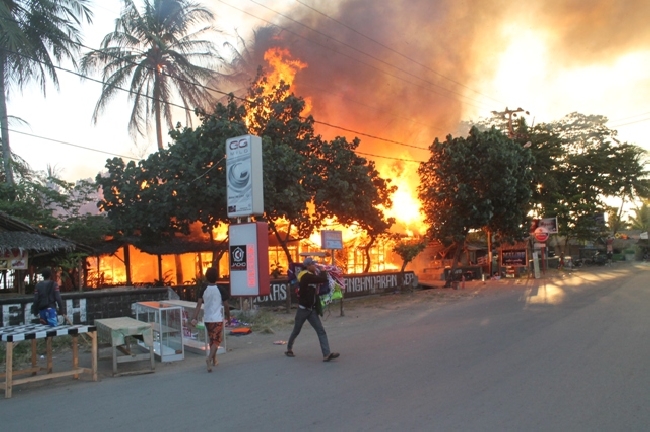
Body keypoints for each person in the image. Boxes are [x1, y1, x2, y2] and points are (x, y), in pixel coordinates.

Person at [285, 257, 340, 362]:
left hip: (311, 309)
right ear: (308, 266)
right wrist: (323, 271)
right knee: (296, 330)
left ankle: (326, 354)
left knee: (321, 331)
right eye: (314, 265)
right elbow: (323, 279)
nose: (316, 266)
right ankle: (289, 349)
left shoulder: (310, 275)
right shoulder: (306, 277)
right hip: (303, 309)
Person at [190, 267, 224, 372]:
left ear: (206, 277)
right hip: (217, 319)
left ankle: (214, 360)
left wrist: (194, 317)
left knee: (212, 340)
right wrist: (228, 316)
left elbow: (199, 304)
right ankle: (209, 359)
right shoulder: (220, 289)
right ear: (217, 276)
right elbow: (226, 304)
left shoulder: (203, 289)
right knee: (217, 340)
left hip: (207, 319)